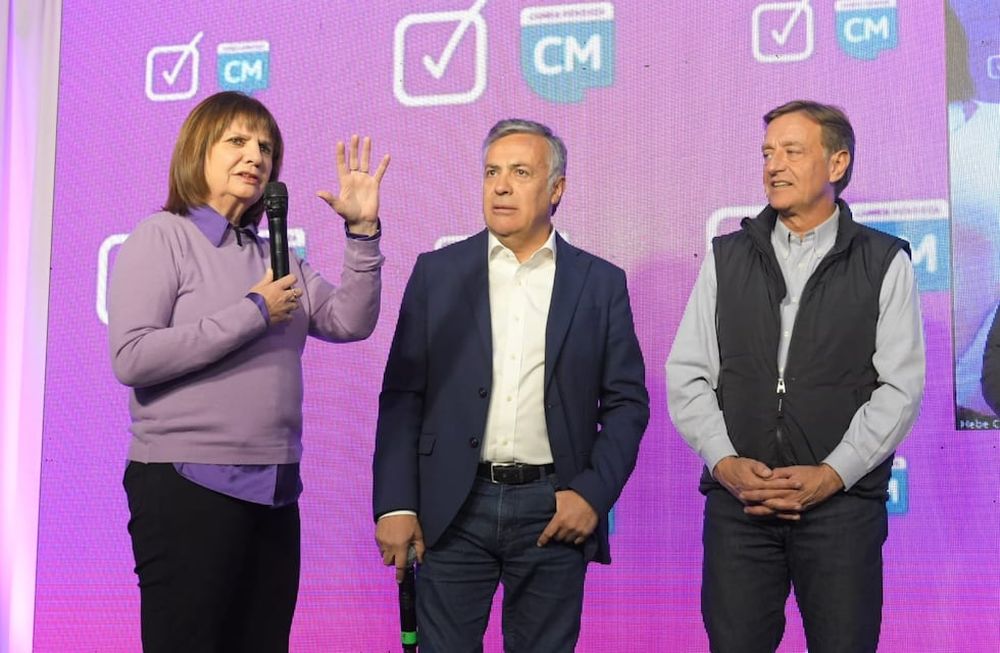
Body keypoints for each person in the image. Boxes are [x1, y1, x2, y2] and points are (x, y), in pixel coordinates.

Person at [108, 91, 389, 653]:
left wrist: (362, 233)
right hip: (187, 484)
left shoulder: (274, 255)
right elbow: (132, 356)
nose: (255, 156)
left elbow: (350, 321)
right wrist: (253, 312)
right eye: (237, 140)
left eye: (265, 147)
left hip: (276, 491)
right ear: (197, 152)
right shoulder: (162, 236)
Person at [372, 118, 649, 652]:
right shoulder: (439, 273)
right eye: (491, 171)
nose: (500, 185)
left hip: (554, 510)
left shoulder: (599, 283)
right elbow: (402, 397)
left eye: (520, 172)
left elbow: (626, 405)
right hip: (451, 508)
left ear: (556, 189)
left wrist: (592, 495)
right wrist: (395, 504)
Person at [666, 100, 925, 652]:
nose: (773, 165)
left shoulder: (884, 260)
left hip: (841, 512)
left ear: (837, 164)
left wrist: (833, 474)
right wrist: (725, 461)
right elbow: (688, 374)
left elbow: (899, 389)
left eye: (791, 151)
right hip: (741, 507)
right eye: (767, 153)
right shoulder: (726, 257)